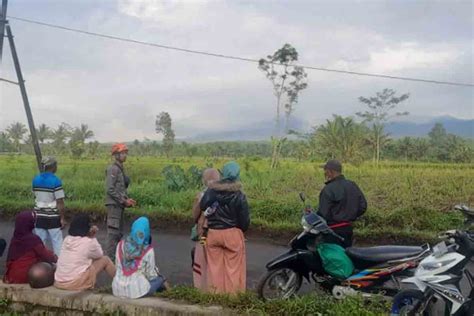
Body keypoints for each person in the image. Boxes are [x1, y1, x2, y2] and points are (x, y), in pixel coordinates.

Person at [200, 161, 250, 294]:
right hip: (232, 233)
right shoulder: (239, 195)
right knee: (232, 269)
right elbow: (244, 221)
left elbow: (203, 205)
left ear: (222, 173)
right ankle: (231, 299)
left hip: (213, 233)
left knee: (214, 268)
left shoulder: (212, 190)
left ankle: (215, 297)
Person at [54, 214, 116, 290]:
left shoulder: (67, 239)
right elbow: (99, 254)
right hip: (74, 283)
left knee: (85, 260)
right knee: (105, 259)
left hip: (59, 282)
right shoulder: (88, 242)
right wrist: (92, 236)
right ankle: (119, 282)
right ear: (88, 228)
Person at [112, 217, 169, 299]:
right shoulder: (148, 250)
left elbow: (117, 266)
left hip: (117, 289)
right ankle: (172, 295)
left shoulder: (120, 244)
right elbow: (151, 275)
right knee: (161, 280)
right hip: (137, 291)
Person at [317, 160, 367, 248]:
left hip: (332, 230)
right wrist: (350, 215)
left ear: (330, 172)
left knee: (333, 257)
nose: (325, 174)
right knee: (346, 255)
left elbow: (323, 213)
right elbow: (362, 207)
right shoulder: (352, 185)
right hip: (348, 229)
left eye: (325, 171)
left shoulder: (328, 189)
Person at [4, 211, 57, 284]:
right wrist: (55, 257)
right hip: (25, 276)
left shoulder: (15, 238)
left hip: (11, 276)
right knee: (51, 267)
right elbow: (46, 256)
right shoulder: (33, 239)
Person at [105, 143, 136, 259]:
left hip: (119, 205)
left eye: (125, 153)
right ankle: (109, 259)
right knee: (113, 233)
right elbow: (110, 189)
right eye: (122, 153)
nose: (125, 155)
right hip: (114, 206)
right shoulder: (113, 169)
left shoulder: (120, 169)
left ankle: (115, 258)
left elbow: (120, 189)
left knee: (118, 233)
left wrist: (127, 200)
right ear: (116, 155)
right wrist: (124, 201)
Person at [191, 168, 220, 291]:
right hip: (218, 232)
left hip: (203, 233)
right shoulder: (223, 194)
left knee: (202, 256)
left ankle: (201, 287)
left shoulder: (202, 195)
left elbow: (194, 215)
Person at [32, 156, 66, 255]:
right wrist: (62, 218)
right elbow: (60, 202)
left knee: (40, 242)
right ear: (53, 166)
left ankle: (42, 265)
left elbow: (35, 196)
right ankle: (58, 265)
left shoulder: (36, 180)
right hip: (52, 216)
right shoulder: (56, 181)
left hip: (38, 215)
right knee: (57, 242)